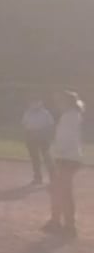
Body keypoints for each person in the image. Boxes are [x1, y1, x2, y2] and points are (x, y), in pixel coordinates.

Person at [45, 90, 84, 237]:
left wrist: (55, 153)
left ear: (67, 103)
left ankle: (68, 225)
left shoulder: (69, 117)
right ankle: (56, 221)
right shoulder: (70, 115)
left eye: (61, 101)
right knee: (58, 190)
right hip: (67, 157)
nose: (58, 103)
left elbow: (65, 139)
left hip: (66, 158)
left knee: (63, 191)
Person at [23, 97, 56, 187]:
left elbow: (50, 126)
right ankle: (37, 177)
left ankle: (53, 177)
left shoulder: (45, 113)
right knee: (35, 158)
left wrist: (48, 136)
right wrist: (27, 136)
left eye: (36, 102)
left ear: (40, 103)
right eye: (32, 102)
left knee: (47, 158)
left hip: (42, 136)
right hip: (30, 136)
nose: (33, 104)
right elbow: (25, 125)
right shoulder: (27, 113)